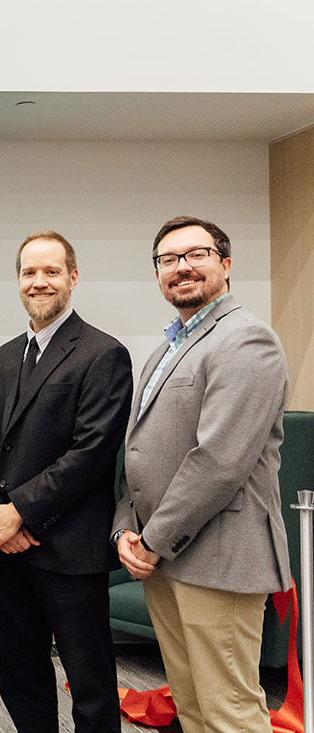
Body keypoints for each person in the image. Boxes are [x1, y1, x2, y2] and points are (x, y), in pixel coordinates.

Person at [114, 216, 290, 732]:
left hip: (219, 560)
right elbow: (140, 450)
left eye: (197, 254)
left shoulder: (246, 340)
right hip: (167, 557)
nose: (181, 268)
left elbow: (219, 461)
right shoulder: (170, 346)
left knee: (229, 713)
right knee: (192, 708)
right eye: (168, 260)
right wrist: (127, 527)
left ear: (226, 264)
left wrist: (152, 539)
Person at [0, 230, 132, 732]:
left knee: (89, 682)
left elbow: (90, 453)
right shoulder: (3, 357)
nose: (39, 282)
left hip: (70, 549)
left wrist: (18, 510)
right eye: (29, 272)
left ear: (73, 278)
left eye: (51, 271)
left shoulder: (103, 354)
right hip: (7, 547)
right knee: (19, 673)